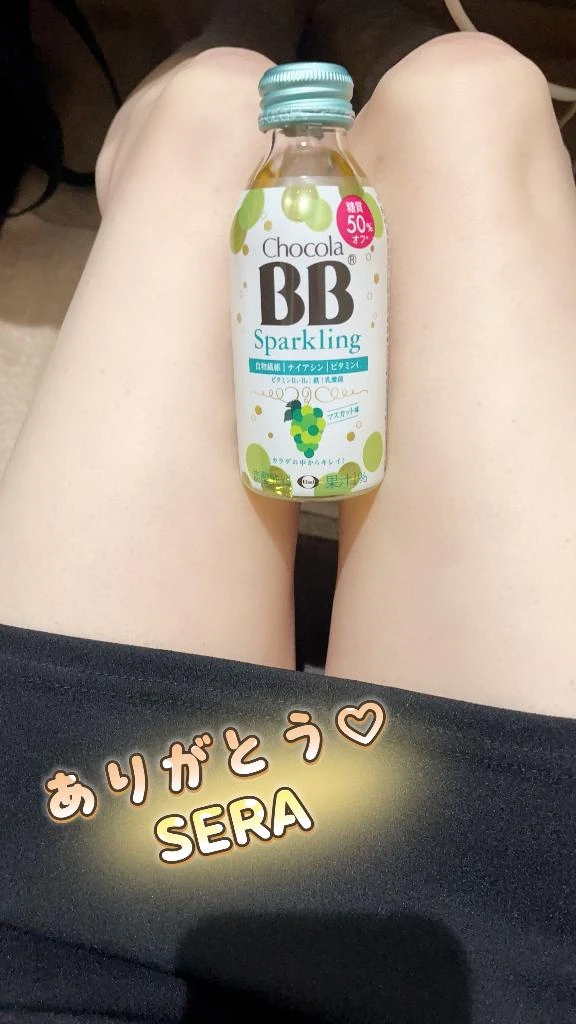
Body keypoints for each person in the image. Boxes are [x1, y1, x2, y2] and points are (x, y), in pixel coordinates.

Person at [0, 2, 574, 1021]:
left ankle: (251, 28)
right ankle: (335, 28)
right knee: (477, 102)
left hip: (64, 877)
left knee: (202, 117)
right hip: (512, 920)